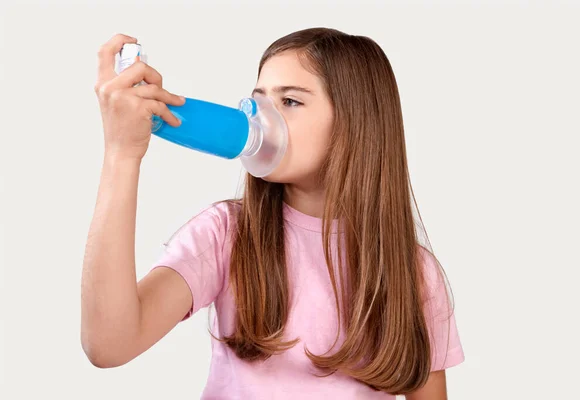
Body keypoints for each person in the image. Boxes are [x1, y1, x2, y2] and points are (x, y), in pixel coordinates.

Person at [81, 28, 465, 399]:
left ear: (355, 123)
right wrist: (121, 156)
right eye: (259, 100)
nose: (261, 118)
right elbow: (109, 345)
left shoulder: (412, 272)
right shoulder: (226, 236)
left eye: (291, 101)